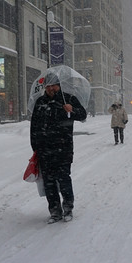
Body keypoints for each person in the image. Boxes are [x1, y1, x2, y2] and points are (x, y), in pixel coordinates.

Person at [30, 72, 87, 224]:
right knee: (49, 183)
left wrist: (72, 110)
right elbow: (34, 125)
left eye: (53, 85)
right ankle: (55, 211)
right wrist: (35, 146)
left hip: (63, 148)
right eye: (47, 86)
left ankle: (68, 208)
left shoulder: (68, 99)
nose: (50, 88)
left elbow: (83, 115)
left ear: (58, 85)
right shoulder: (40, 102)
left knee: (63, 180)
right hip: (44, 150)